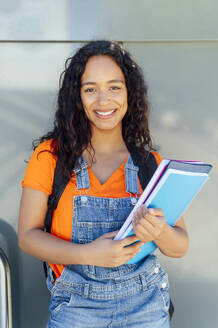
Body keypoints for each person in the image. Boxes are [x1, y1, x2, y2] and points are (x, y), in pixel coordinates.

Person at [18, 40, 189, 328]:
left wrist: (160, 231)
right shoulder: (50, 157)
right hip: (76, 308)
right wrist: (87, 254)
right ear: (77, 97)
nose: (103, 100)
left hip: (145, 307)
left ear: (128, 93)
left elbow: (180, 246)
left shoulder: (150, 164)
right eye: (90, 89)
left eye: (114, 87)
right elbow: (27, 237)